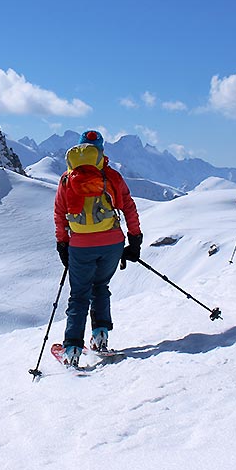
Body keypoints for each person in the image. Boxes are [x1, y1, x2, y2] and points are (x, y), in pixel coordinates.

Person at [54, 130, 142, 367]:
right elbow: (129, 207)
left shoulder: (66, 178)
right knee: (100, 286)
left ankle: (72, 349)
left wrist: (63, 243)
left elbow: (60, 213)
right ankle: (100, 337)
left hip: (80, 245)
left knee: (79, 295)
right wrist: (135, 240)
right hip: (112, 242)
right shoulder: (111, 176)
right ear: (100, 150)